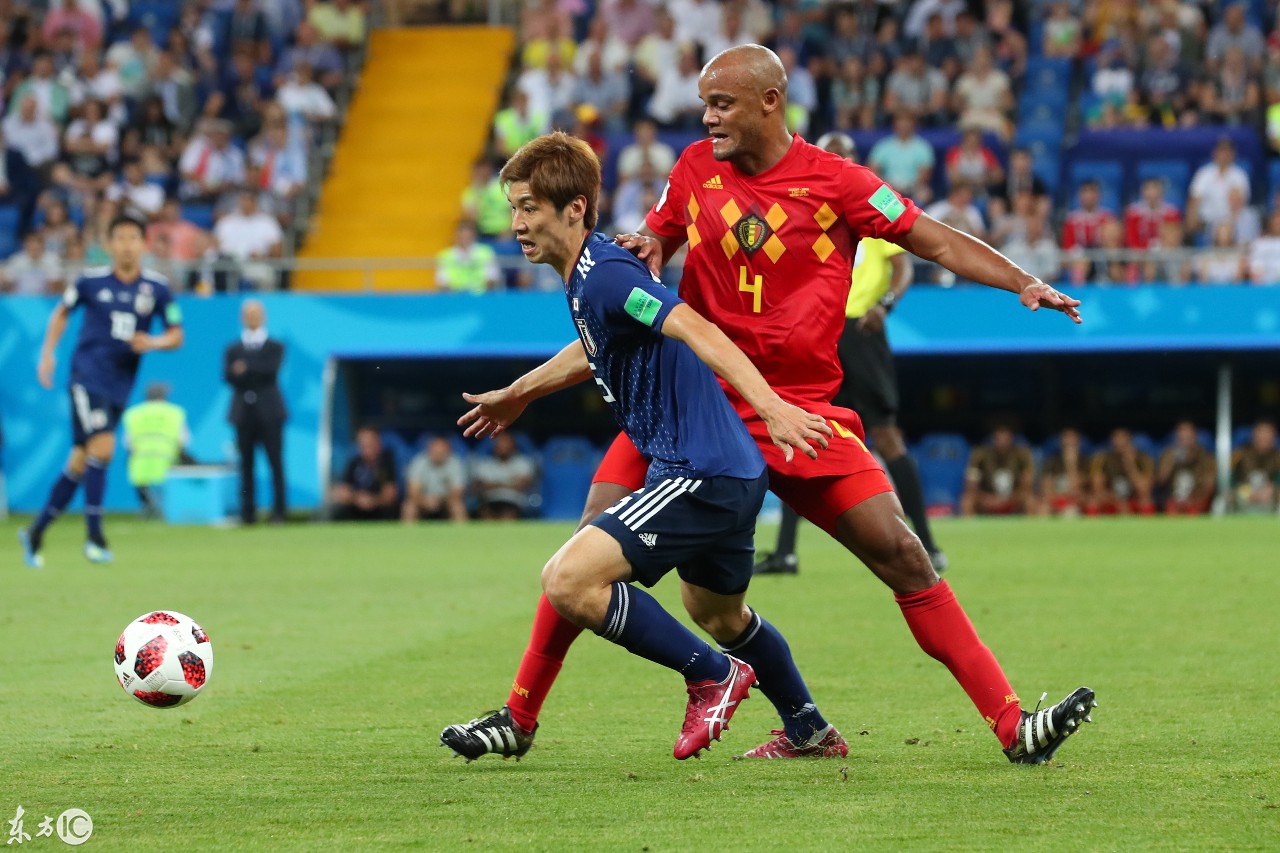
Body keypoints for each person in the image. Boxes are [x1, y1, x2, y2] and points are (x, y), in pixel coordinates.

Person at [443, 45, 1095, 766]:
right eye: (704, 103)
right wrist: (646, 249)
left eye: (721, 103)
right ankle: (520, 715)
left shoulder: (840, 183)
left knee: (903, 555)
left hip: (799, 413)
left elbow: (933, 239)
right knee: (596, 550)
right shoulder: (693, 169)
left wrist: (1022, 281)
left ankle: (1012, 725)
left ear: (771, 101)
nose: (708, 116)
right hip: (695, 413)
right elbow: (651, 262)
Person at [441, 131, 840, 761]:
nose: (515, 224)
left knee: (568, 579)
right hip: (730, 476)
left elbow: (690, 324)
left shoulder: (606, 275)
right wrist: (521, 391)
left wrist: (770, 405)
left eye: (529, 208)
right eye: (513, 208)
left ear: (574, 208)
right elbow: (600, 344)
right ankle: (810, 730)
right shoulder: (588, 278)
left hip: (698, 473)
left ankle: (711, 675)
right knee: (721, 614)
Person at [755, 131, 945, 576]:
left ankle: (928, 544)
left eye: (844, 156)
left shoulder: (864, 210)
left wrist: (884, 306)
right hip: (815, 336)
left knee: (886, 435)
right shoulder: (798, 215)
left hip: (861, 333)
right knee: (800, 434)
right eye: (830, 155)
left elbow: (902, 269)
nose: (836, 162)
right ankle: (785, 552)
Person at [19, 214, 183, 567]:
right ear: (109, 245)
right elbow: (62, 313)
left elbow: (176, 334)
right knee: (104, 446)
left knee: (81, 459)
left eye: (132, 237)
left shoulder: (156, 288)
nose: (126, 244)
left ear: (144, 244)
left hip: (121, 385)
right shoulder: (90, 282)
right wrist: (47, 354)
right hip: (87, 377)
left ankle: (36, 532)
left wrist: (153, 341)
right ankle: (95, 538)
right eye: (119, 238)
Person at [224, 299, 287, 525]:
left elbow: (270, 371)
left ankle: (279, 512)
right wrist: (250, 370)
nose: (252, 318)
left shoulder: (275, 346)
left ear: (264, 316)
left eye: (256, 314)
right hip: (243, 413)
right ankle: (247, 513)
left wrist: (246, 368)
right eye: (248, 314)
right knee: (246, 465)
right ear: (242, 317)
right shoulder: (233, 348)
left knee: (275, 464)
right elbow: (228, 376)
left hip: (270, 412)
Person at [121, 381, 189, 518]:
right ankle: (169, 507)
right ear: (164, 396)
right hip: (168, 462)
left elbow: (127, 444)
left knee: (134, 469)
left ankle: (146, 505)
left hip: (140, 463)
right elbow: (183, 441)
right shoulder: (175, 412)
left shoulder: (133, 414)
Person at [961, 425, 1037, 516]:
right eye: (999, 439)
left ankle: (1029, 529)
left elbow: (1027, 485)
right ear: (994, 440)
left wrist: (1009, 498)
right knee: (967, 500)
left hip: (1013, 499)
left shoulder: (1022, 455)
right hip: (988, 498)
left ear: (1011, 440)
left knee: (1030, 499)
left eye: (1005, 440)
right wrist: (986, 498)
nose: (1002, 443)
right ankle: (970, 529)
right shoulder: (980, 455)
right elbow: (971, 486)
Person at [330, 427, 398, 520]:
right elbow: (343, 492)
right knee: (338, 509)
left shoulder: (387, 462)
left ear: (378, 444)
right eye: (363, 445)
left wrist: (373, 501)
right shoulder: (353, 463)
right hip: (356, 508)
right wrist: (357, 499)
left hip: (379, 510)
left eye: (369, 444)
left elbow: (391, 495)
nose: (366, 448)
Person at [1086, 428, 1156, 516]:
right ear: (1112, 440)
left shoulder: (1143, 458)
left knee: (1146, 501)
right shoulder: (1103, 458)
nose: (1120, 441)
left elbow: (1144, 489)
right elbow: (1097, 488)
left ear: (1129, 439)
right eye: (1117, 438)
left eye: (1123, 438)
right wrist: (1115, 499)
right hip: (1111, 498)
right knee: (1094, 501)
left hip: (1133, 498)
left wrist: (1131, 465)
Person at [470, 432, 537, 520]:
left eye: (506, 443)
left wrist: (495, 484)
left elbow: (522, 485)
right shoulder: (485, 464)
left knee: (507, 514)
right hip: (490, 500)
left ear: (513, 445)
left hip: (513, 501)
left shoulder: (522, 463)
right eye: (500, 443)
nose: (502, 446)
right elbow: (480, 486)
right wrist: (510, 483)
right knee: (486, 512)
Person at [1155, 420, 1216, 515]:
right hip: (1174, 500)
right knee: (1171, 509)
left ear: (1195, 437)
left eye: (1187, 438)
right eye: (1181, 439)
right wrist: (1171, 462)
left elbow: (1209, 486)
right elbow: (1161, 481)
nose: (1184, 442)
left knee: (1194, 510)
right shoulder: (1169, 454)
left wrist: (1192, 499)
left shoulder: (1206, 457)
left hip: (1196, 500)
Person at [402, 436, 468, 523]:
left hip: (446, 502)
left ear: (448, 451)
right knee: (409, 507)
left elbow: (457, 493)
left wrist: (440, 501)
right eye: (435, 451)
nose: (438, 455)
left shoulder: (455, 463)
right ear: (429, 450)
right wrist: (425, 501)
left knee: (458, 507)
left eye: (441, 452)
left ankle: (462, 535)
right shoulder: (419, 462)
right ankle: (407, 536)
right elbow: (413, 492)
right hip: (422, 501)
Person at [1230, 419, 1279, 513]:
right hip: (1243, 501)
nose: (1264, 438)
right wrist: (1246, 493)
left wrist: (1272, 492)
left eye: (1268, 435)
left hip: (1270, 503)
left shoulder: (1277, 459)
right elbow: (1229, 484)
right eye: (1261, 434)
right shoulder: (1239, 456)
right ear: (1254, 435)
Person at [1040, 427, 1090, 517]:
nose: (1070, 441)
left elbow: (1080, 485)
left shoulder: (1085, 461)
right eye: (1067, 437)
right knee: (1043, 508)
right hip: (1057, 497)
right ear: (1061, 440)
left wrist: (1071, 464)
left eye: (1073, 438)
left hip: (1077, 499)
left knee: (1078, 508)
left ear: (1078, 440)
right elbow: (1046, 485)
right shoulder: (1052, 461)